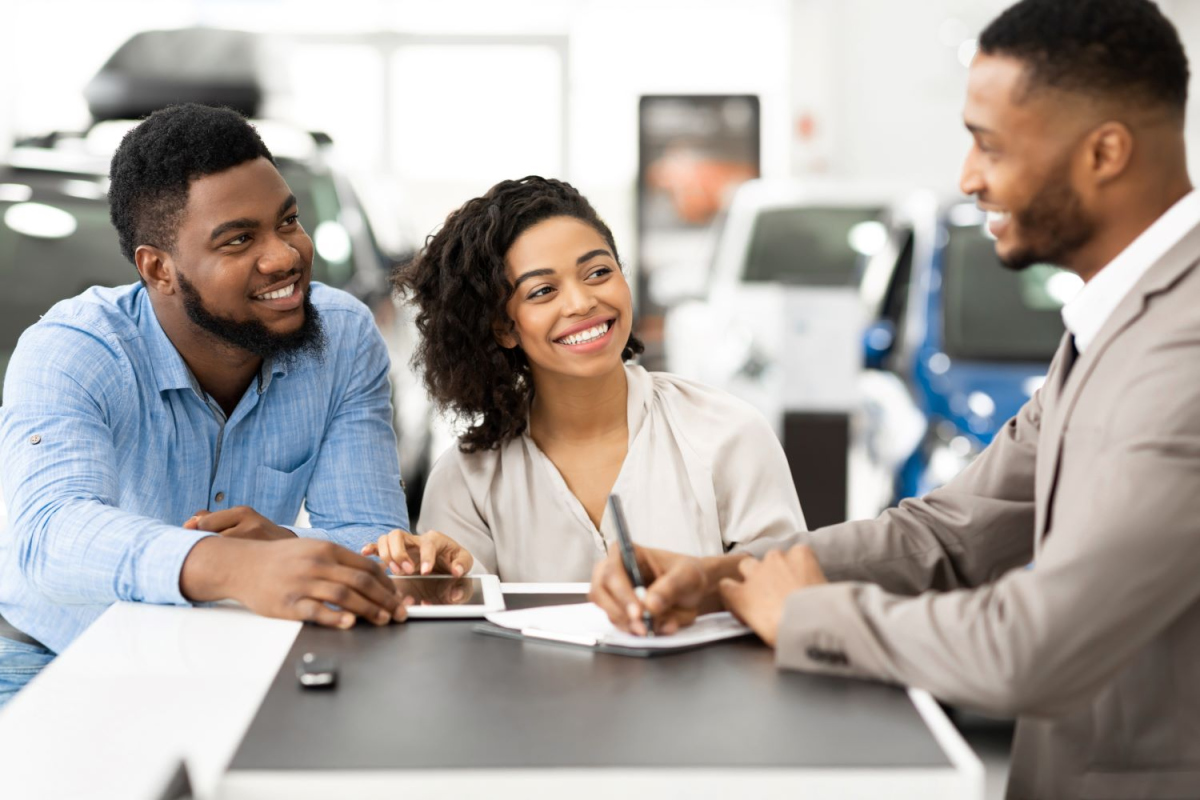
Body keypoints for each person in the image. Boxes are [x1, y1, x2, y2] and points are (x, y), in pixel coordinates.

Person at [590, 0, 1200, 796]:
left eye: (989, 144)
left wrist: (806, 615)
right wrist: (724, 578)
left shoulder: (1183, 347)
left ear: (1106, 151)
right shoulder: (1116, 320)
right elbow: (949, 535)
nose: (968, 178)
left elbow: (1035, 645)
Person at [0, 104, 470, 708]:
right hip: (50, 655)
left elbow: (364, 532)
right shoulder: (74, 351)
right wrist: (229, 566)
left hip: (234, 647)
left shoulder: (343, 337)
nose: (284, 256)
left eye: (289, 221)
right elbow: (50, 534)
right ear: (158, 268)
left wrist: (290, 549)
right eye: (239, 239)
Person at [381, 177, 803, 610]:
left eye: (599, 272)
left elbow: (790, 595)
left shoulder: (728, 434)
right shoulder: (465, 481)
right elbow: (465, 635)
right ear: (504, 328)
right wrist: (434, 584)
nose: (582, 302)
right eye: (543, 291)